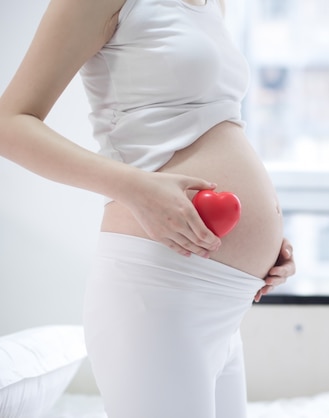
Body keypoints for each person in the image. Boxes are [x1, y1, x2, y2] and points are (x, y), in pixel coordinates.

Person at [0, 0, 295, 417]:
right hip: (158, 290)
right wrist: (137, 188)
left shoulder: (213, 4)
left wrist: (267, 240)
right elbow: (9, 123)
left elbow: (206, 124)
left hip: (223, 306)